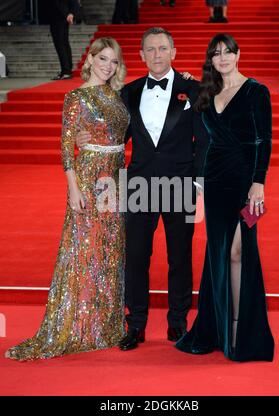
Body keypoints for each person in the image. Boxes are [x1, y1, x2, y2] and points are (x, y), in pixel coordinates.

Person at [77, 27, 209, 351]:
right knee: (136, 256)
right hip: (138, 185)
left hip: (180, 183)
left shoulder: (193, 89)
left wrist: (197, 183)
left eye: (163, 48)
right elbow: (116, 138)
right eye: (150, 49)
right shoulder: (129, 92)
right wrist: (86, 139)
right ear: (141, 55)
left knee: (179, 257)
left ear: (173, 51)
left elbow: (204, 141)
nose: (157, 55)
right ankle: (135, 323)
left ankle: (177, 321)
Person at [5, 37, 130, 361]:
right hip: (89, 178)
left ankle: (105, 325)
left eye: (113, 61)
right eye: (103, 59)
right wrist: (73, 188)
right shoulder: (76, 96)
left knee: (110, 252)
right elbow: (65, 146)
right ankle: (75, 326)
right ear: (89, 60)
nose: (108, 66)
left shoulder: (116, 95)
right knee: (83, 251)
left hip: (116, 179)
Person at [175, 33, 275, 362]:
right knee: (219, 252)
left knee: (239, 251)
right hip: (215, 181)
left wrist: (258, 183)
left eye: (228, 52)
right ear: (212, 60)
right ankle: (218, 326)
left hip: (247, 184)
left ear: (238, 54)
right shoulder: (207, 91)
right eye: (216, 54)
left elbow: (264, 140)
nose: (223, 58)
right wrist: (187, 78)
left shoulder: (256, 91)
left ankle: (238, 327)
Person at [50, 0, 80, 80]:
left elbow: (73, 2)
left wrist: (71, 13)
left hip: (61, 16)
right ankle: (66, 70)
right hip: (58, 15)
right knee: (63, 43)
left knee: (61, 43)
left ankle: (66, 71)